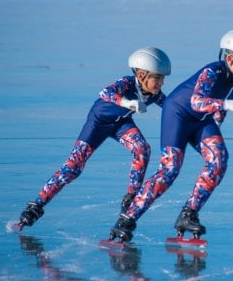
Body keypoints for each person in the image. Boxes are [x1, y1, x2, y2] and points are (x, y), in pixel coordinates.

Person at [108, 28, 233, 242]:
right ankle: (127, 219)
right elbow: (196, 101)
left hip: (202, 120)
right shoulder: (212, 72)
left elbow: (218, 108)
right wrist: (230, 104)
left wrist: (217, 123)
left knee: (218, 160)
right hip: (178, 115)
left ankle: (188, 214)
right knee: (170, 169)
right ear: (230, 57)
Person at [16, 47, 171, 229]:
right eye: (158, 78)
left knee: (142, 149)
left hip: (121, 123)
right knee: (73, 168)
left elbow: (171, 106)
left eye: (163, 78)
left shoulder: (154, 94)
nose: (161, 83)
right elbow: (105, 93)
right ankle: (36, 205)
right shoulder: (126, 83)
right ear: (142, 75)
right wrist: (126, 102)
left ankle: (130, 199)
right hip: (98, 122)